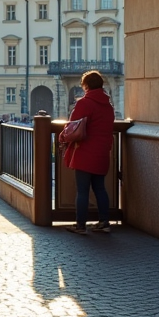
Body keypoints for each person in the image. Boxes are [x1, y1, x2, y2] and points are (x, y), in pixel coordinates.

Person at [63, 71, 116, 235]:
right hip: (102, 152)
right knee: (100, 188)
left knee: (83, 190)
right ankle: (104, 222)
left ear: (85, 86)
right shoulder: (108, 106)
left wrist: (62, 136)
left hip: (85, 152)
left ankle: (80, 225)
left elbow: (72, 127)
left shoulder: (85, 103)